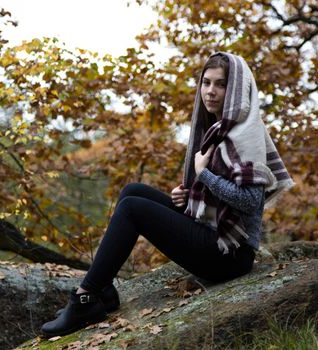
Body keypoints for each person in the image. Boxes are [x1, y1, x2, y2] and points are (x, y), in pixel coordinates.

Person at [40, 52, 294, 337]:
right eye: (206, 83)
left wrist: (204, 175)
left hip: (229, 255)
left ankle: (84, 298)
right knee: (132, 191)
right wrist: (188, 199)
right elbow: (217, 198)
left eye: (220, 85)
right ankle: (104, 291)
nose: (210, 91)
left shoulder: (245, 134)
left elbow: (250, 202)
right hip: (212, 233)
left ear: (235, 89)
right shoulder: (218, 128)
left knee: (132, 209)